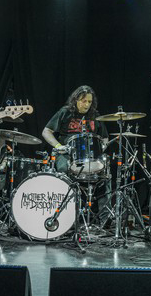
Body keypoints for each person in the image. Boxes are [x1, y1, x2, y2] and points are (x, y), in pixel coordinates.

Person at [42, 85, 111, 226]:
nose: (87, 105)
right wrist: (58, 146)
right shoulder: (65, 112)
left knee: (105, 175)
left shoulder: (95, 115)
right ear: (76, 100)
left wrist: (101, 147)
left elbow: (104, 138)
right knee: (63, 170)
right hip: (67, 154)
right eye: (83, 101)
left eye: (89, 102)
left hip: (90, 156)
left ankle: (105, 219)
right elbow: (46, 131)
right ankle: (66, 217)